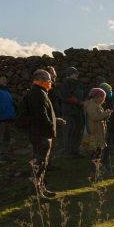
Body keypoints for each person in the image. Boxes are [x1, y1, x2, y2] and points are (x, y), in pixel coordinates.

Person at [25, 69, 62, 199]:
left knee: (43, 163)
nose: (50, 82)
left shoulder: (40, 92)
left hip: (41, 133)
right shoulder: (37, 94)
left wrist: (55, 121)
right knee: (39, 163)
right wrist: (51, 125)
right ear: (40, 80)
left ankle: (41, 188)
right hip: (41, 135)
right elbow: (41, 115)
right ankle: (35, 193)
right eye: (48, 80)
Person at [84, 87, 113, 174]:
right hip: (95, 132)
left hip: (98, 131)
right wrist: (105, 113)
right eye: (103, 98)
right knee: (95, 152)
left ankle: (97, 170)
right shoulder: (92, 105)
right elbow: (95, 117)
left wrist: (106, 115)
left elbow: (100, 117)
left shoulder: (96, 105)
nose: (104, 100)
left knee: (98, 151)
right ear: (98, 97)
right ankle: (94, 171)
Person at [60, 66, 86, 157]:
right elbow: (66, 97)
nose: (76, 75)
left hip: (77, 112)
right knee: (69, 131)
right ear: (70, 74)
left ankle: (75, 150)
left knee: (77, 131)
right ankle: (67, 152)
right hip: (68, 112)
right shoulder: (65, 84)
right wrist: (79, 102)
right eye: (75, 73)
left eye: (76, 74)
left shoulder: (78, 84)